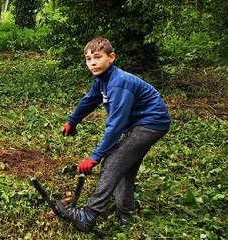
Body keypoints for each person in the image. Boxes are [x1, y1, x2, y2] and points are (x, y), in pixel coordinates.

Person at [56, 37, 171, 232]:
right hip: (141, 124)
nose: (92, 63)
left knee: (113, 161)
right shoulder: (102, 79)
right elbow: (89, 100)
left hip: (150, 124)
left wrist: (95, 157)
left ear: (111, 57)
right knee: (126, 165)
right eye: (88, 59)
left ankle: (89, 215)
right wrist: (72, 121)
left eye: (97, 57)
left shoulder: (119, 83)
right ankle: (125, 214)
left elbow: (116, 126)